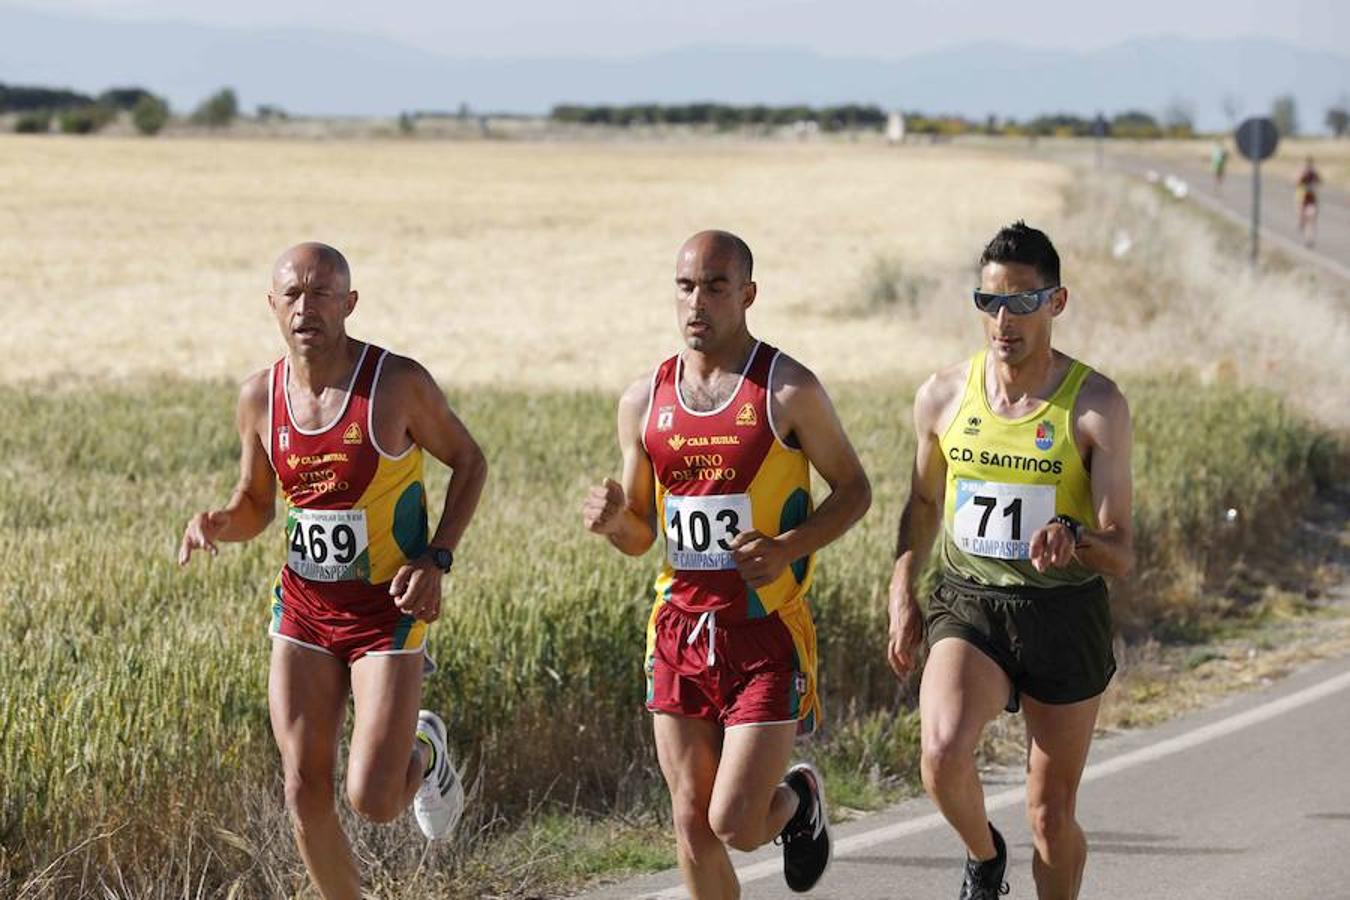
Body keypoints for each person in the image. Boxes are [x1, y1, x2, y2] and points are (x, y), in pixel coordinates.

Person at [178, 243, 487, 900]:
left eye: (321, 294)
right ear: (272, 306)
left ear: (349, 304)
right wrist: (217, 524)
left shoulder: (394, 384)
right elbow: (256, 504)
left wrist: (437, 557)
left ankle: (424, 749)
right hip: (303, 611)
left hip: (386, 612)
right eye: (291, 294)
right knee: (302, 788)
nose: (304, 307)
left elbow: (470, 460)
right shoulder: (260, 398)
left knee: (374, 799)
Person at [582, 230, 871, 898]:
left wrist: (787, 548)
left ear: (747, 295)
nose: (698, 301)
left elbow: (854, 490)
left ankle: (796, 800)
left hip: (766, 633)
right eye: (686, 286)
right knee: (690, 823)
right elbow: (640, 535)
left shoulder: (787, 389)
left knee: (735, 822)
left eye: (715, 286)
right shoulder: (644, 401)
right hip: (679, 630)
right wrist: (612, 521)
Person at [886, 222, 1133, 900]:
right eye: (990, 302)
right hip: (971, 601)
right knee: (940, 754)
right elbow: (922, 502)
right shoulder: (941, 396)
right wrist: (902, 587)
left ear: (1056, 303)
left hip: (1063, 610)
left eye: (1023, 302)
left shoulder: (1096, 405)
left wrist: (1076, 537)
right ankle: (984, 855)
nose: (1004, 319)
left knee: (1051, 819)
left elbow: (1122, 551)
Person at [1296, 157, 1322, 247]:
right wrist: (1302, 173)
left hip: (1312, 200)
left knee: (1311, 220)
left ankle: (1309, 239)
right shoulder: (1302, 174)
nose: (1309, 167)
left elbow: (1320, 182)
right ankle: (1305, 233)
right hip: (1302, 199)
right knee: (1304, 220)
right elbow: (1296, 182)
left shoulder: (1314, 174)